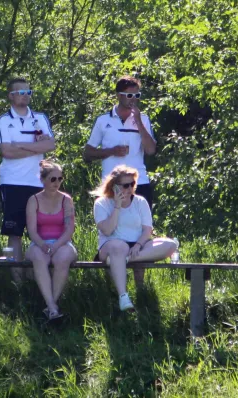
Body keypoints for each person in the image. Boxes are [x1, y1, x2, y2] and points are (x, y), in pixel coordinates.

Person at [83, 75, 157, 285]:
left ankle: (140, 287)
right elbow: (87, 154)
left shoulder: (144, 119)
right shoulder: (103, 120)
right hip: (112, 185)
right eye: (129, 95)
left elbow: (151, 150)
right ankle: (112, 282)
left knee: (141, 232)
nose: (133, 99)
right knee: (112, 230)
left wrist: (140, 123)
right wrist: (111, 151)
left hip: (138, 183)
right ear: (118, 95)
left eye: (137, 95)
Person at [0, 77, 56, 282]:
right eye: (20, 92)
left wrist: (21, 145)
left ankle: (37, 279)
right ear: (10, 96)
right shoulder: (3, 120)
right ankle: (16, 282)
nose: (25, 96)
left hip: (39, 182)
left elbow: (50, 146)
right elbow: (6, 152)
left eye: (28, 92)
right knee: (14, 233)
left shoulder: (40, 118)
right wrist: (34, 146)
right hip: (12, 182)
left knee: (41, 232)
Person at [92, 165, 177, 311]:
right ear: (114, 186)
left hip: (138, 246)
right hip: (111, 246)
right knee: (119, 247)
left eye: (132, 184)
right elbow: (107, 230)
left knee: (170, 245)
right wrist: (117, 207)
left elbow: (147, 230)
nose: (130, 188)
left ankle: (125, 260)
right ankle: (123, 297)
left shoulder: (140, 202)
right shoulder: (102, 203)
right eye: (125, 185)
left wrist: (138, 245)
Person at [26, 160, 77, 320]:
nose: (57, 183)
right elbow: (32, 231)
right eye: (53, 179)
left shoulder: (66, 200)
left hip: (62, 242)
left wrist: (57, 245)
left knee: (63, 258)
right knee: (39, 258)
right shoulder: (33, 200)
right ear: (43, 180)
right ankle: (52, 307)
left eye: (60, 179)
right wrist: (42, 245)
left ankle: (51, 307)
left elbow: (69, 228)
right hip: (39, 242)